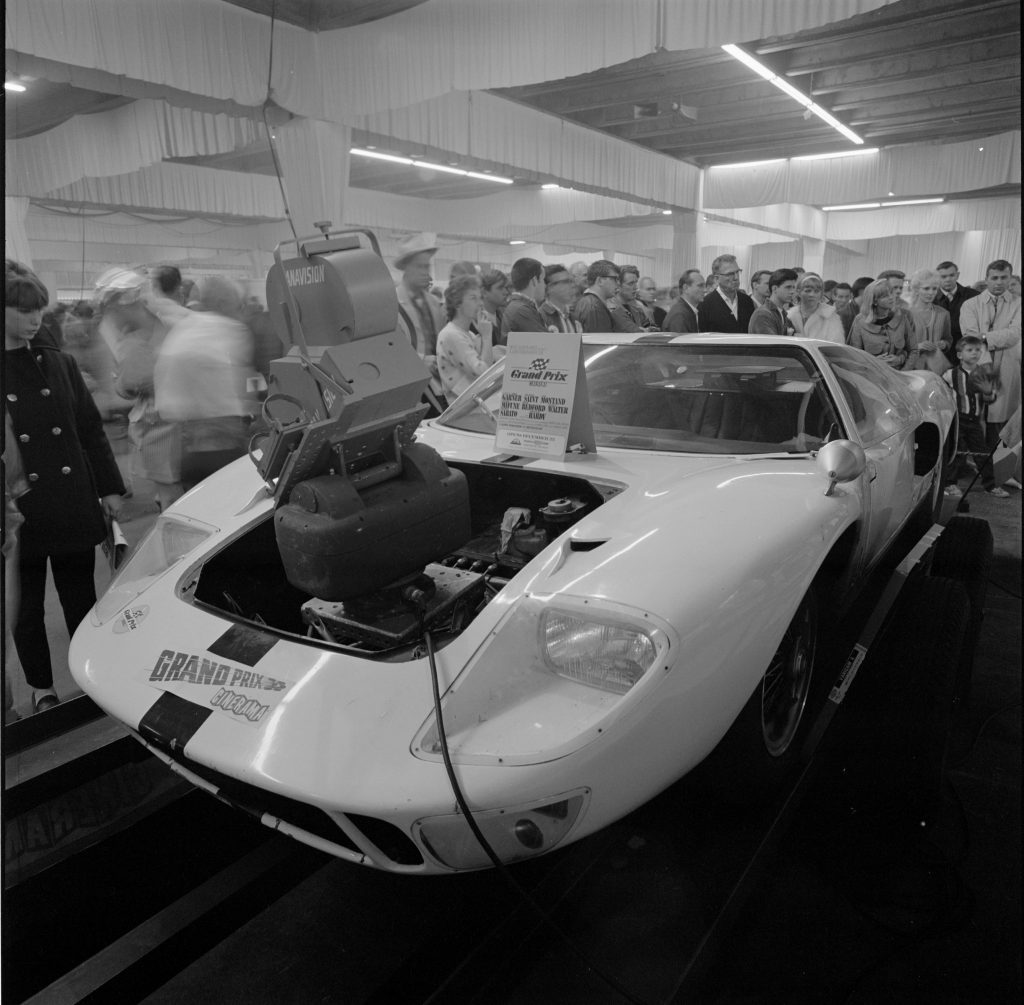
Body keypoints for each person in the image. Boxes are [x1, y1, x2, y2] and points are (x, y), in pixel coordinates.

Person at [5, 260, 125, 712]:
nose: (34, 318)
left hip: (72, 503)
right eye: (21, 310)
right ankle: (42, 690)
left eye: (38, 309)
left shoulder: (60, 364)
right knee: (27, 611)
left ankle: (92, 676)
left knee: (81, 598)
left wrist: (109, 489)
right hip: (21, 511)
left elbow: (89, 429)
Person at [94, 267, 184, 512]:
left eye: (111, 311)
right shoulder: (174, 323)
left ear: (121, 306)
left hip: (160, 430)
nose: (112, 318)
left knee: (173, 503)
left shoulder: (135, 342)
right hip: (184, 428)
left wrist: (118, 381)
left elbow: (129, 385)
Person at [154, 276, 256, 491]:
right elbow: (244, 386)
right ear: (222, 304)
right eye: (237, 305)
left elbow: (167, 405)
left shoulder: (180, 332)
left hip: (189, 450)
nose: (240, 312)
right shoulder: (229, 329)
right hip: (224, 449)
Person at [959, 259, 1021, 490]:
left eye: (1004, 278)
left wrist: (986, 337)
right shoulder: (971, 304)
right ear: (986, 279)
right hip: (978, 367)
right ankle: (980, 472)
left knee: (1001, 425)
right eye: (994, 278)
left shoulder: (1018, 303)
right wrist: (987, 373)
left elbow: (1014, 335)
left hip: (1008, 369)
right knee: (974, 421)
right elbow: (970, 337)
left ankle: (1001, 474)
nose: (998, 282)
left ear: (1010, 278)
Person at [942, 335, 1004, 498]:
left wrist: (988, 392)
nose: (975, 353)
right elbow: (942, 395)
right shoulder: (950, 375)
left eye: (978, 350)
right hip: (958, 421)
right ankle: (950, 484)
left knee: (982, 453)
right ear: (960, 355)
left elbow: (990, 399)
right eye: (969, 350)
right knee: (958, 454)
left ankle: (990, 485)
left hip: (975, 421)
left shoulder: (985, 374)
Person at [394, 233, 445, 409]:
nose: (426, 272)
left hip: (438, 388)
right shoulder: (392, 304)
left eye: (427, 266)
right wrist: (420, 360)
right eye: (420, 267)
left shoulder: (433, 303)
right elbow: (390, 351)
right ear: (406, 268)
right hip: (409, 390)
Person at [436, 275, 499, 405]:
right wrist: (487, 337)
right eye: (473, 298)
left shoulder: (467, 334)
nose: (480, 303)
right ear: (457, 304)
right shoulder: (451, 335)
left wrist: (483, 336)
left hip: (473, 405)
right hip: (463, 411)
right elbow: (483, 373)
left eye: (480, 297)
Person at [849, 278, 915, 369]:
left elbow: (913, 350)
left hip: (900, 376)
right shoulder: (860, 321)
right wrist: (873, 362)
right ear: (874, 301)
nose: (891, 297)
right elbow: (853, 356)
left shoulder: (902, 317)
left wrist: (901, 364)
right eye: (885, 296)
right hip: (872, 377)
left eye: (891, 293)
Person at [904, 268, 951, 373]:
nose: (931, 293)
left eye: (934, 289)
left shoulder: (943, 314)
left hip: (937, 369)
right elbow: (896, 344)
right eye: (926, 288)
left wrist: (944, 344)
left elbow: (948, 339)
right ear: (916, 289)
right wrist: (917, 346)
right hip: (911, 368)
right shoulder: (905, 314)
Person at [934, 260, 981, 362]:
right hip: (939, 351)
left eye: (951, 275)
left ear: (957, 275)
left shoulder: (975, 296)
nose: (948, 279)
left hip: (968, 349)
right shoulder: (930, 299)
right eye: (943, 276)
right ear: (937, 278)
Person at [698, 254, 755, 333]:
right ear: (717, 278)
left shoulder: (746, 301)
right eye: (730, 274)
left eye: (737, 272)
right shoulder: (705, 305)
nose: (736, 277)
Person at [787, 273, 845, 343]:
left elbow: (835, 348)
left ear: (821, 294)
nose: (812, 294)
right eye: (808, 291)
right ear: (799, 292)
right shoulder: (789, 316)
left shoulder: (830, 317)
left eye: (816, 291)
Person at [500, 258, 547, 341]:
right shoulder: (522, 310)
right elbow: (545, 343)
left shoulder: (518, 306)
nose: (545, 285)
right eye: (543, 280)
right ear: (534, 281)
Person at [573, 260, 621, 333]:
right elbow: (601, 343)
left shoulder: (588, 301)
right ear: (600, 281)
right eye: (615, 279)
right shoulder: (595, 307)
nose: (618, 283)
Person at [748, 269, 798, 335]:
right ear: (774, 289)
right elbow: (771, 344)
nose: (792, 291)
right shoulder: (763, 314)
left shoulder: (782, 313)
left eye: (793, 287)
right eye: (788, 287)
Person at [539, 264, 582, 333]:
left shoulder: (573, 316)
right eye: (565, 282)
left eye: (571, 281)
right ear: (549, 288)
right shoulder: (540, 318)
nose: (572, 285)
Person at [664, 269, 704, 333]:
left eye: (704, 286)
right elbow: (681, 342)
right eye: (700, 286)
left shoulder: (686, 311)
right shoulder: (679, 315)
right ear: (686, 288)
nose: (704, 290)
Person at [609, 265, 648, 331]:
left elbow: (651, 328)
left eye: (636, 283)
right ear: (618, 284)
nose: (635, 287)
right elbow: (633, 331)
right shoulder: (612, 309)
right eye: (631, 283)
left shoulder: (637, 310)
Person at [479, 269, 509, 344]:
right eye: (500, 288)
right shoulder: (475, 322)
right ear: (484, 292)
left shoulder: (502, 316)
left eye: (506, 287)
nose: (506, 292)